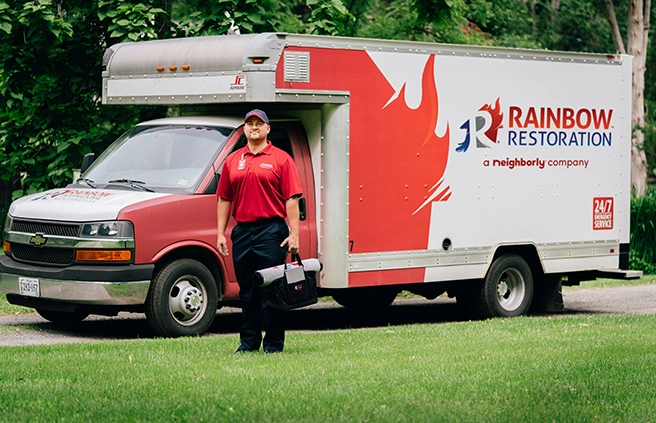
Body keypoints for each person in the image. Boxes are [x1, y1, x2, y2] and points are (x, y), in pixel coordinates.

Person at [216, 109, 302, 354]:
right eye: (249, 123)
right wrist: (221, 233)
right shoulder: (233, 160)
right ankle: (248, 343)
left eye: (259, 123)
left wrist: (293, 234)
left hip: (271, 231)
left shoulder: (281, 159)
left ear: (267, 129)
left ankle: (273, 345)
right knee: (247, 291)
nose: (254, 127)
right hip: (242, 232)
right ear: (244, 129)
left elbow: (292, 199)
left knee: (271, 290)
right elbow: (224, 198)